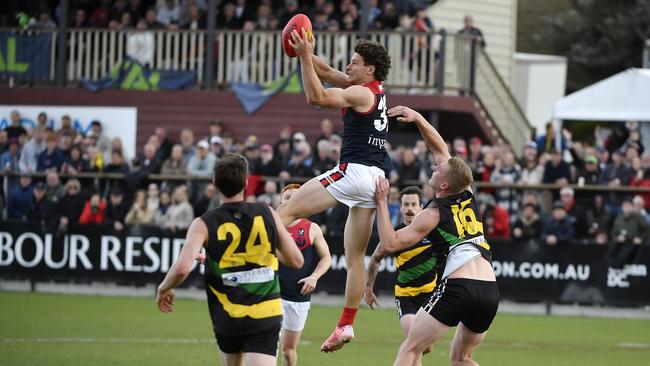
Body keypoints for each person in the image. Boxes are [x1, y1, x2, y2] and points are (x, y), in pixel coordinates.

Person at [280, 31, 392, 352]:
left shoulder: (359, 93)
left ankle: (253, 265)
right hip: (374, 181)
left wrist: (302, 58)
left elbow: (316, 97)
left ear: (369, 69)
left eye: (354, 62)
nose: (349, 65)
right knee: (355, 256)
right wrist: (304, 51)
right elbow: (327, 73)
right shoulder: (374, 90)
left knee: (284, 212)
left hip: (353, 172)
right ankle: (345, 325)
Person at [374, 106, 498, 366]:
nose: (434, 166)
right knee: (461, 358)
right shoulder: (467, 193)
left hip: (460, 287)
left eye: (438, 170)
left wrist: (383, 203)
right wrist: (418, 118)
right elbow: (440, 147)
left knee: (410, 349)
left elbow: (389, 243)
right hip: (489, 290)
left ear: (444, 185)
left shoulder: (433, 213)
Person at [156, 153, 303, 366]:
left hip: (228, 314)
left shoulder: (203, 223)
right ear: (245, 182)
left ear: (214, 182)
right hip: (265, 312)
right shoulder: (267, 213)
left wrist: (163, 288)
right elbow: (296, 260)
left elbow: (182, 269)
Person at [364, 185, 443, 366]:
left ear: (421, 207)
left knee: (426, 347)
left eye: (413, 204)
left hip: (431, 297)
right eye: (406, 204)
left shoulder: (434, 233)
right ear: (400, 208)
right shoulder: (394, 236)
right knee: (414, 345)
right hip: (406, 296)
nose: (409, 209)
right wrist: (368, 289)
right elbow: (375, 259)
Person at [278, 183, 332, 366]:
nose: (291, 202)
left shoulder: (311, 228)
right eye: (287, 198)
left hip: (298, 297)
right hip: (271, 293)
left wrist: (314, 276)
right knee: (268, 345)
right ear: (280, 201)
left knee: (288, 351)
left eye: (295, 198)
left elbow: (326, 258)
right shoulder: (272, 225)